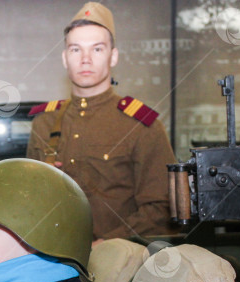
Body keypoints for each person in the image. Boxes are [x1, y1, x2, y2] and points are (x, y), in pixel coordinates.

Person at [26, 2, 176, 242]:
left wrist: (107, 244)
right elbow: (29, 201)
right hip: (54, 258)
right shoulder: (45, 122)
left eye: (97, 49)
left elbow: (159, 209)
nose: (85, 59)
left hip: (120, 262)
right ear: (65, 58)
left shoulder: (140, 125)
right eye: (76, 50)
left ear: (113, 56)